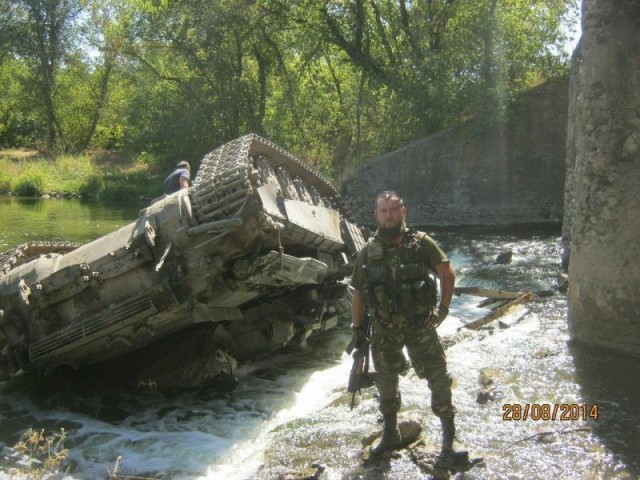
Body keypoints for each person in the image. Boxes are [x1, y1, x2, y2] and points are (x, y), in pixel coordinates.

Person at [350, 190, 466, 461]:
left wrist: (443, 310)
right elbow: (357, 292)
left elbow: (447, 272)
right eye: (383, 211)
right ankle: (391, 434)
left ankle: (451, 437)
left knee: (438, 378)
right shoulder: (367, 252)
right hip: (384, 329)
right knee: (386, 381)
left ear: (403, 212)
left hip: (420, 327)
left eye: (393, 210)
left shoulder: (421, 244)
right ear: (376, 215)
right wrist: (357, 331)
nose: (389, 216)